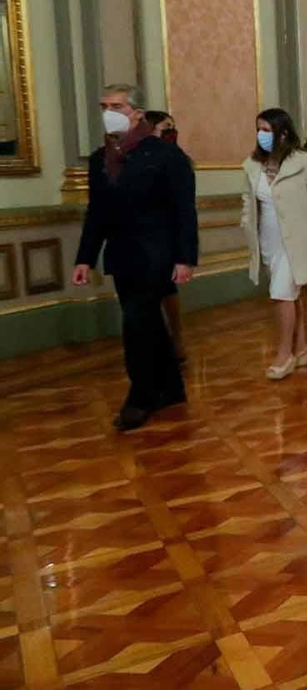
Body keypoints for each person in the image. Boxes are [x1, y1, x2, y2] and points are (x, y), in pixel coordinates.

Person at [71, 84, 198, 432]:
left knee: (136, 325)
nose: (108, 112)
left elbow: (184, 211)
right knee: (149, 323)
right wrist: (85, 258)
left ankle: (140, 396)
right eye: (103, 105)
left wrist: (185, 258)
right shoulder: (101, 159)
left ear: (137, 113)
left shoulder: (166, 156)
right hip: (122, 255)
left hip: (157, 254)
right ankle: (171, 388)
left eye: (116, 106)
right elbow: (96, 213)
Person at [242, 108, 307, 379]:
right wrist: (246, 225)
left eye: (267, 130)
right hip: (268, 239)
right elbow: (250, 201)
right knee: (290, 295)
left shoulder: (303, 161)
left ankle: (285, 355)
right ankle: (302, 347)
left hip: (297, 240)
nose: (261, 134)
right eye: (259, 129)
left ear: (282, 132)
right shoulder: (253, 164)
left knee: (281, 294)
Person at [144, 109, 189, 359]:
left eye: (173, 127)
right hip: (147, 233)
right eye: (165, 128)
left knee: (167, 289)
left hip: (168, 233)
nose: (171, 132)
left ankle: (177, 338)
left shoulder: (177, 158)